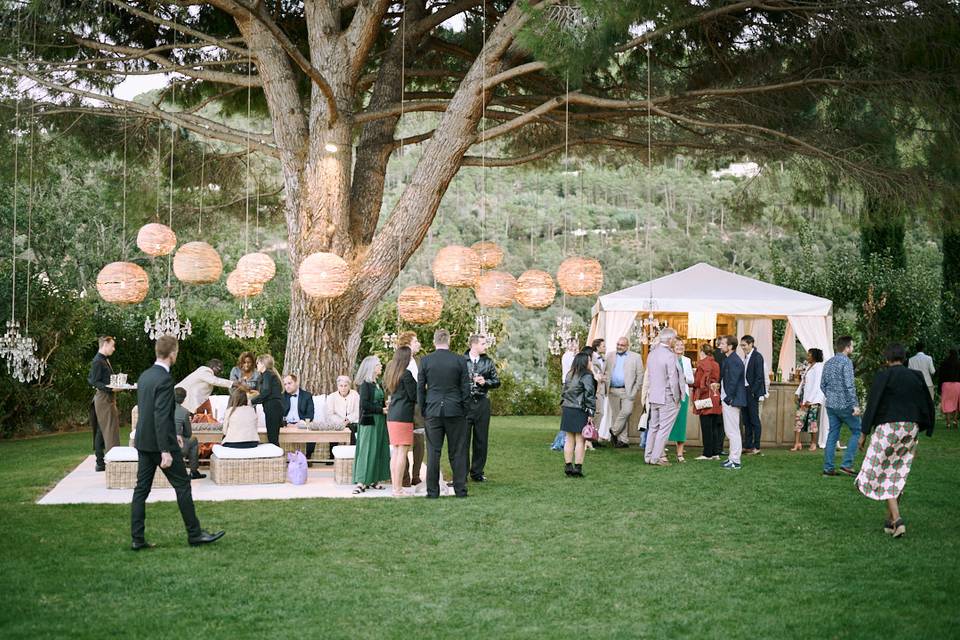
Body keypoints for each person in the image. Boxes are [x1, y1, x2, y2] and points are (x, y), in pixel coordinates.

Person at [131, 335, 224, 550]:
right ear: (173, 353)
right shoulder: (164, 380)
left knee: (140, 490)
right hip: (159, 444)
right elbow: (161, 415)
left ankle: (137, 539)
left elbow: (149, 413)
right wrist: (165, 448)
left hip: (143, 441)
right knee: (182, 485)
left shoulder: (145, 376)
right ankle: (194, 534)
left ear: (157, 351)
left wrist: (174, 436)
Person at [855, 343, 935, 538]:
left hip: (889, 427)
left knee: (882, 470)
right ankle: (889, 520)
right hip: (910, 427)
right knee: (897, 469)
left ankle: (898, 520)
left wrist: (864, 433)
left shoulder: (884, 376)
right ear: (904, 358)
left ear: (886, 359)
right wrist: (927, 426)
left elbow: (873, 404)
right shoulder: (915, 376)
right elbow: (927, 402)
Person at [418, 328, 471, 499]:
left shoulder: (425, 361)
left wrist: (423, 408)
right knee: (458, 451)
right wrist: (464, 408)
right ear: (448, 341)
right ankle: (460, 490)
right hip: (455, 410)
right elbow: (465, 387)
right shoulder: (460, 360)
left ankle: (432, 491)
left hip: (433, 410)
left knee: (433, 452)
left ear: (435, 341)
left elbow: (420, 388)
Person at [820, 336, 862, 477]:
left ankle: (828, 468)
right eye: (852, 346)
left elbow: (822, 385)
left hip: (831, 405)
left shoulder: (829, 362)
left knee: (832, 434)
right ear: (847, 347)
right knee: (858, 430)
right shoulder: (847, 362)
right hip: (845, 405)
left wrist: (830, 396)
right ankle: (846, 464)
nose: (853, 348)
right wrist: (855, 405)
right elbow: (849, 385)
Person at [464, 334, 500, 482]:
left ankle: (477, 473)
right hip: (465, 404)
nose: (486, 346)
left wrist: (485, 382)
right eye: (483, 344)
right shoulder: (461, 361)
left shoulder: (488, 362)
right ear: (474, 344)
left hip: (482, 404)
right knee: (462, 441)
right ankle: (462, 473)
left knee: (481, 440)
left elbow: (497, 382)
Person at [643, 328, 681, 466]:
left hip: (654, 396)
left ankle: (648, 456)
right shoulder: (670, 355)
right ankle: (656, 457)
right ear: (670, 340)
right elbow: (673, 380)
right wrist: (677, 399)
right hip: (667, 397)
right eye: (675, 339)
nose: (676, 341)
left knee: (653, 427)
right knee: (663, 429)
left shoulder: (651, 354)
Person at [353, 356, 391, 494]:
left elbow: (379, 401)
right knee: (367, 450)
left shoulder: (377, 383)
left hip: (380, 421)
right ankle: (361, 481)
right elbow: (364, 404)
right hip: (369, 421)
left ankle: (374, 479)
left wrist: (385, 406)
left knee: (378, 449)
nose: (380, 366)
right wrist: (381, 409)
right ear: (371, 367)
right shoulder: (365, 384)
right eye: (378, 364)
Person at [385, 346, 417, 497]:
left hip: (392, 415)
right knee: (402, 452)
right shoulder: (407, 374)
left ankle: (395, 488)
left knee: (396, 451)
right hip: (403, 416)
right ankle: (398, 490)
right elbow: (414, 396)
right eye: (410, 356)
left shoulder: (393, 374)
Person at [560, 352, 596, 477]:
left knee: (569, 439)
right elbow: (589, 394)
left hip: (567, 408)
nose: (591, 363)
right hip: (580, 409)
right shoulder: (587, 376)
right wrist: (591, 411)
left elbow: (564, 391)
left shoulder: (570, 374)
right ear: (585, 362)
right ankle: (578, 468)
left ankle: (568, 465)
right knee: (580, 440)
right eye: (590, 360)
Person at [88, 335, 120, 472]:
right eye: (112, 345)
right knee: (108, 430)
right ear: (105, 344)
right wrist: (110, 388)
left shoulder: (104, 360)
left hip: (106, 397)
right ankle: (111, 461)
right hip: (103, 398)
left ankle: (100, 462)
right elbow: (93, 381)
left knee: (102, 429)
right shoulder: (98, 361)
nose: (113, 348)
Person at [397, 331, 425, 486]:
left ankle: (416, 474)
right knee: (402, 444)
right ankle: (405, 476)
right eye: (416, 341)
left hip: (418, 407)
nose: (418, 344)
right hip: (403, 408)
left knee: (419, 442)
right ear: (408, 344)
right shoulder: (397, 363)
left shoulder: (420, 361)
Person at [714, 334, 746, 470]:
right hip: (729, 399)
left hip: (731, 401)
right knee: (731, 431)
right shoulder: (730, 359)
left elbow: (732, 382)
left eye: (723, 344)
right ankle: (732, 458)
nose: (720, 345)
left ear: (730, 346)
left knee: (732, 431)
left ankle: (735, 460)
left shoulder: (734, 361)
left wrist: (728, 398)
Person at [605, 336, 643, 448]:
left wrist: (635, 389)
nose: (619, 347)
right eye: (618, 344)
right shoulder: (610, 355)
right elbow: (605, 370)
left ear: (627, 346)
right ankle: (623, 440)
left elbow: (640, 375)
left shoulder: (635, 357)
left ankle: (613, 431)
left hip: (628, 391)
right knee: (617, 415)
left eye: (622, 345)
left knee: (626, 412)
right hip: (612, 390)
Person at [692, 343, 723, 460]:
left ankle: (707, 453)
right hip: (715, 397)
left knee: (706, 427)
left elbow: (698, 382)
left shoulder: (701, 365)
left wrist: (689, 381)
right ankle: (715, 453)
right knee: (714, 427)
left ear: (702, 352)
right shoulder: (716, 364)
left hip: (705, 397)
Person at [792, 348, 825, 452]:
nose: (807, 356)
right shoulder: (808, 367)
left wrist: (809, 400)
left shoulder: (819, 368)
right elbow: (803, 382)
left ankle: (813, 443)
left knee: (812, 422)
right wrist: (797, 393)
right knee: (799, 420)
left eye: (809, 355)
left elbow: (816, 385)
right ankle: (797, 443)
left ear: (815, 356)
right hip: (804, 398)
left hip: (813, 400)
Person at [668, 338, 694, 462]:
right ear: (672, 347)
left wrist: (682, 376)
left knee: (681, 423)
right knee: (666, 422)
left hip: (683, 395)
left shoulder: (687, 361)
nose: (680, 347)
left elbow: (691, 380)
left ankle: (679, 453)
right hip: (669, 395)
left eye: (681, 345)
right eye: (677, 345)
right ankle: (661, 450)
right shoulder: (668, 359)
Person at [740, 335, 767, 454]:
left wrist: (752, 392)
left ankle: (757, 446)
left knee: (754, 420)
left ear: (751, 344)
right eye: (741, 345)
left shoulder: (757, 357)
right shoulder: (746, 357)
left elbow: (759, 377)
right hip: (744, 391)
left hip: (752, 392)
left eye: (744, 345)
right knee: (746, 420)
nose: (742, 348)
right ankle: (748, 445)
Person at [250, 354, 283, 446]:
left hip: (273, 407)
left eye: (257, 363)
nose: (256, 365)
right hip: (274, 407)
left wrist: (251, 401)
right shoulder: (268, 374)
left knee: (273, 438)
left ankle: (277, 458)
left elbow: (265, 392)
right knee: (273, 437)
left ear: (262, 364)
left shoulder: (267, 374)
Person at [282, 373, 316, 456]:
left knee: (312, 430)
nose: (287, 386)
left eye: (289, 383)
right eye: (285, 384)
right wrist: (286, 424)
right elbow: (278, 414)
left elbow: (310, 414)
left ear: (296, 382)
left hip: (302, 423)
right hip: (286, 425)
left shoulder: (306, 396)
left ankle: (308, 456)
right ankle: (283, 456)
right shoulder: (282, 397)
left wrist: (300, 423)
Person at [174, 387, 204, 479]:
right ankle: (194, 471)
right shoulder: (184, 412)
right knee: (193, 440)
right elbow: (188, 434)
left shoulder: (160, 408)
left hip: (157, 444)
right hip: (175, 446)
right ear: (183, 399)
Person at [326, 375, 360, 443]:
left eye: (345, 385)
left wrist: (348, 420)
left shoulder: (355, 395)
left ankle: (352, 450)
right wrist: (341, 422)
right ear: (338, 386)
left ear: (349, 386)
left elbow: (358, 411)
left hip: (351, 422)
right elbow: (329, 414)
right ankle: (332, 452)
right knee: (334, 429)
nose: (343, 388)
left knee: (351, 428)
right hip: (336, 423)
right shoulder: (332, 397)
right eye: (341, 386)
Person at [938, 348, 960, 430]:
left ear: (949, 354)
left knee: (946, 403)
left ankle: (948, 423)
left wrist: (940, 387)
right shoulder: (959, 363)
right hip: (957, 385)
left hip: (946, 385)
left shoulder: (944, 363)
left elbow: (941, 376)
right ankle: (954, 420)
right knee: (956, 404)